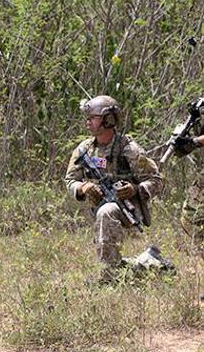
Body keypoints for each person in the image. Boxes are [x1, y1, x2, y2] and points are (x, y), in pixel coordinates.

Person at [64, 95, 163, 283]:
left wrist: (135, 189)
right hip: (98, 207)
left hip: (128, 210)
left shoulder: (130, 149)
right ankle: (150, 262)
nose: (88, 122)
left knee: (106, 213)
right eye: (87, 118)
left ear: (108, 120)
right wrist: (83, 187)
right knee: (106, 230)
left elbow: (156, 179)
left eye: (92, 118)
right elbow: (70, 180)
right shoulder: (84, 150)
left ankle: (107, 279)